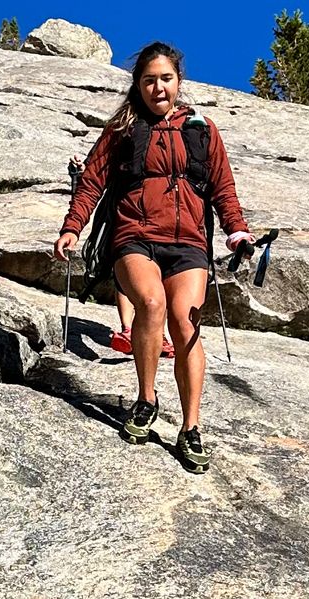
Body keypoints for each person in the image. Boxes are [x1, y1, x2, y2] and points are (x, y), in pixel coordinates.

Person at [54, 40, 253, 471]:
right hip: (135, 236)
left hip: (189, 244)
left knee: (186, 324)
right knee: (150, 303)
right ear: (137, 85)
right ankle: (146, 398)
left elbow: (222, 188)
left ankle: (191, 427)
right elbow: (92, 182)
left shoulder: (203, 130)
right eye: (149, 80)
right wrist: (73, 227)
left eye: (165, 79)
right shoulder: (122, 129)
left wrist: (236, 230)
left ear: (179, 81)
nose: (158, 88)